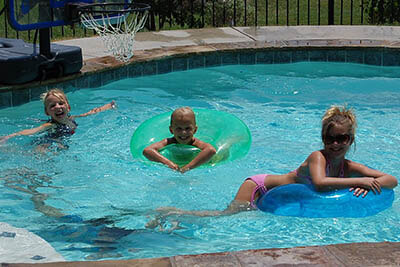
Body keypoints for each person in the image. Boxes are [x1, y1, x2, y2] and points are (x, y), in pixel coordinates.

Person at [146, 105, 398, 224]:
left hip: (281, 195)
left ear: (350, 140)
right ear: (323, 139)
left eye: (342, 138)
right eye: (330, 138)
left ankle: (174, 216)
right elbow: (320, 184)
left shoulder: (349, 166)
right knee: (225, 217)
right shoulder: (317, 158)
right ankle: (172, 212)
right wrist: (362, 182)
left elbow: (392, 180)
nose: (335, 144)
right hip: (259, 187)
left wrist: (370, 183)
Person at [0, 88, 116, 151]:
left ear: (68, 107)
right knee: (41, 152)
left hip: (61, 141)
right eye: (52, 106)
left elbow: (89, 113)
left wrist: (106, 107)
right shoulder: (51, 125)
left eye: (61, 103)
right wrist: (11, 136)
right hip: (48, 142)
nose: (58, 107)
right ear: (47, 112)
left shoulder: (72, 118)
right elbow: (33, 131)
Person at [143, 107, 217, 173]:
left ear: (195, 130)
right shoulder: (169, 142)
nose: (183, 132)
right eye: (179, 128)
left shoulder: (196, 143)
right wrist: (169, 164)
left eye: (188, 128)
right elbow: (147, 150)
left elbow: (211, 150)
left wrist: (187, 167)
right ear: (171, 130)